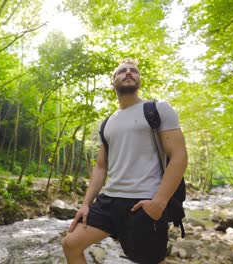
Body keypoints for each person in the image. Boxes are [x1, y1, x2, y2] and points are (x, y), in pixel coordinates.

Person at [62, 58, 188, 264]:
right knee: (71, 244)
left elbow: (179, 156)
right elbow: (101, 167)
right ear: (113, 82)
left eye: (133, 71)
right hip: (109, 201)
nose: (129, 73)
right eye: (122, 71)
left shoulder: (157, 109)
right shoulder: (107, 123)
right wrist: (86, 204)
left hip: (144, 200)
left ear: (139, 80)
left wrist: (159, 202)